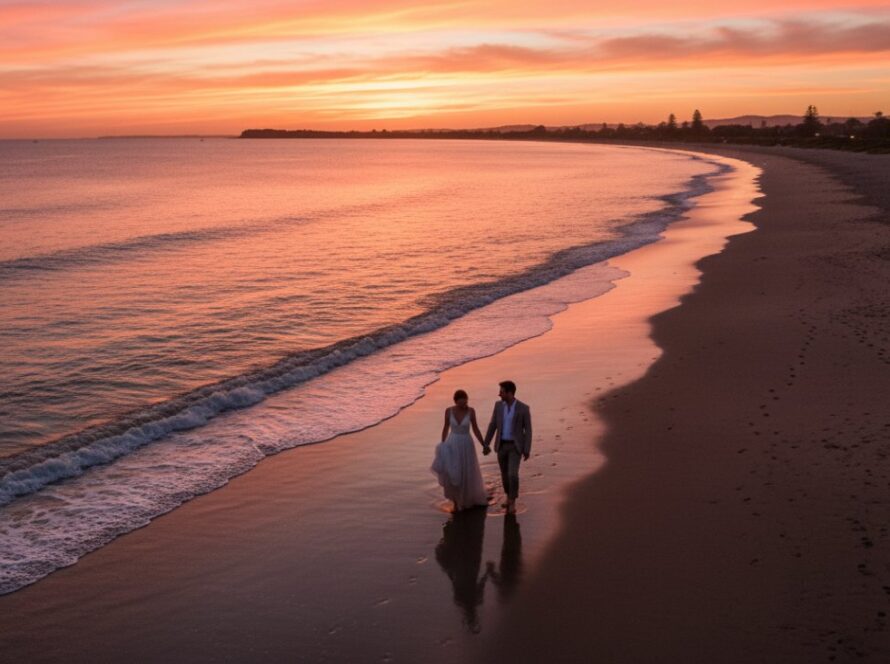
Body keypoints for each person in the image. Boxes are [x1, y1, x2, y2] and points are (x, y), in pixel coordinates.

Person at [431, 389, 489, 511]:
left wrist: (484, 444)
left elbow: (476, 429)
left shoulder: (471, 411)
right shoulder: (449, 411)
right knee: (454, 472)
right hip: (452, 443)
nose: (464, 405)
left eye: (465, 402)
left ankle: (467, 499)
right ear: (456, 401)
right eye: (461, 403)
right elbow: (446, 427)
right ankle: (456, 502)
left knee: (466, 471)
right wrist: (443, 445)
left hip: (466, 444)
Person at [483, 380, 532, 514]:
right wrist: (486, 443)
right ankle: (508, 497)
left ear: (510, 393)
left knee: (512, 474)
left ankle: (512, 500)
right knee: (504, 475)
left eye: (502, 391)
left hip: (515, 447)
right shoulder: (498, 406)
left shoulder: (523, 408)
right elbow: (493, 425)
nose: (499, 394)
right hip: (501, 445)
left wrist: (527, 449)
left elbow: (528, 430)